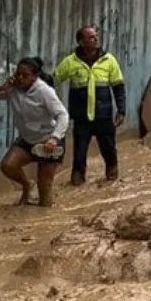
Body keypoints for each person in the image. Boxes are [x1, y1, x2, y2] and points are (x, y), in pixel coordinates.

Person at [0, 57, 69, 207]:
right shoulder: (12, 89)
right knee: (7, 165)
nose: (20, 78)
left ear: (34, 76)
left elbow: (62, 115)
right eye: (18, 74)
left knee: (45, 197)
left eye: (25, 75)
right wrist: (1, 87)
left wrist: (54, 138)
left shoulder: (44, 91)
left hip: (49, 142)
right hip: (27, 140)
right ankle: (27, 186)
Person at [54, 25, 127, 186]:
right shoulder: (70, 62)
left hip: (103, 115)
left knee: (109, 148)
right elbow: (54, 79)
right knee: (79, 152)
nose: (96, 39)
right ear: (81, 42)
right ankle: (77, 178)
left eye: (96, 37)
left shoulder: (109, 60)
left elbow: (118, 87)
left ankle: (112, 172)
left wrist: (121, 110)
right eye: (91, 37)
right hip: (81, 117)